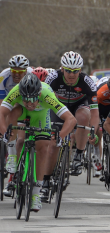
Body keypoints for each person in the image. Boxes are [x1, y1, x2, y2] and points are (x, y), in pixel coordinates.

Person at [0, 74, 76, 212]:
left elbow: (71, 119)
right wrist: (5, 133)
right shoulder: (16, 91)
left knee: (42, 147)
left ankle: (36, 194)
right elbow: (1, 112)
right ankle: (11, 156)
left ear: (39, 94)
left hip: (41, 116)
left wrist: (60, 136)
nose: (29, 104)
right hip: (20, 113)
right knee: (12, 114)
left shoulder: (47, 95)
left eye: (33, 100)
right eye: (26, 99)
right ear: (20, 93)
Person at [44, 51, 99, 176]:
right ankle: (46, 180)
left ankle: (79, 154)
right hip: (58, 106)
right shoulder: (53, 78)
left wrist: (93, 132)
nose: (72, 74)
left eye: (75, 71)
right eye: (68, 70)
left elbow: (95, 113)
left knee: (83, 116)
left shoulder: (87, 82)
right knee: (53, 142)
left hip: (78, 105)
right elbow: (43, 103)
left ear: (80, 70)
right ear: (62, 69)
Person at [0, 55, 33, 181]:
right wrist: (5, 130)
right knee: (8, 114)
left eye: (20, 72)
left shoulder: (32, 75)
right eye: (14, 71)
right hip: (10, 100)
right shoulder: (4, 76)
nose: (17, 75)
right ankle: (11, 151)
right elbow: (2, 104)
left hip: (26, 102)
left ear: (26, 70)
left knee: (23, 138)